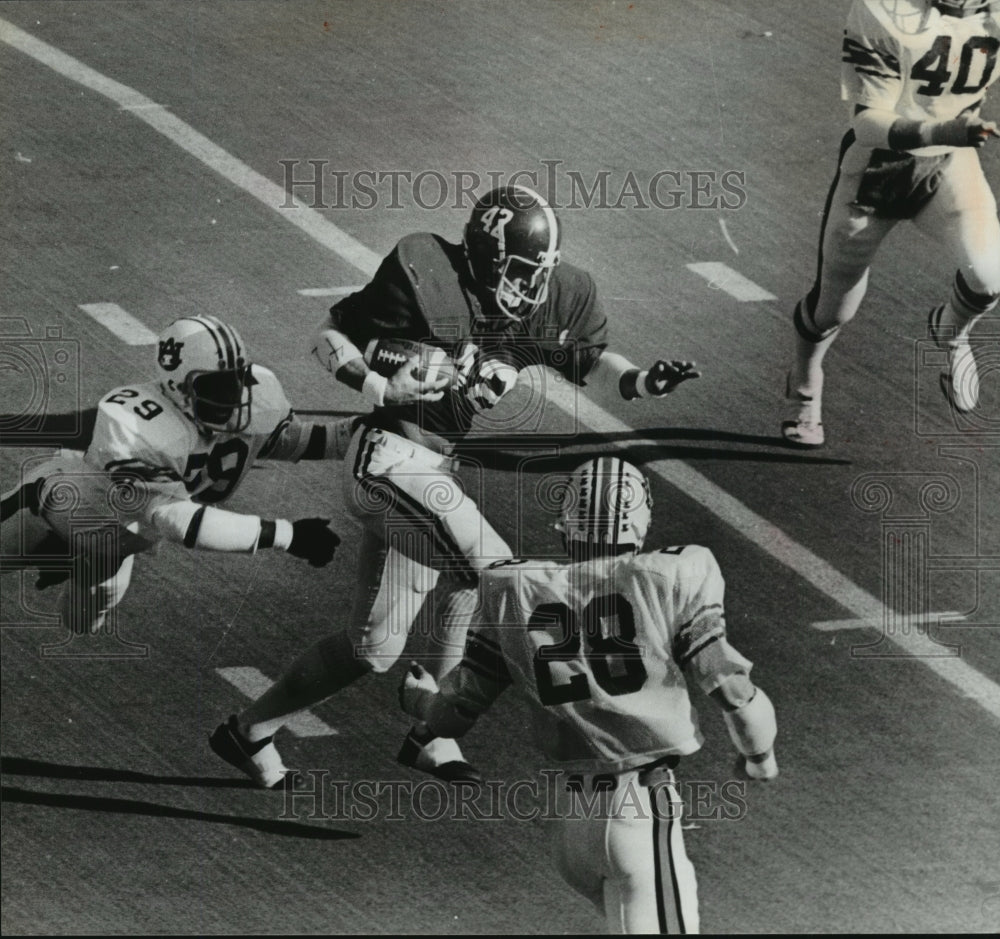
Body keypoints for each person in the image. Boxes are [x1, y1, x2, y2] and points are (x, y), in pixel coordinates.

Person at [213, 185, 702, 789]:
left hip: (428, 473)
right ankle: (432, 727)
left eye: (541, 272)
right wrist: (379, 387)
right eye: (523, 270)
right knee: (499, 575)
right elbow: (328, 335)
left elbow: (590, 361)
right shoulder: (428, 274)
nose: (534, 286)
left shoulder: (551, 300)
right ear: (489, 258)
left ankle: (246, 731)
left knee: (374, 647)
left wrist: (641, 382)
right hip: (387, 461)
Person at [399, 456, 778, 935]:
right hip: (637, 811)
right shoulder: (671, 574)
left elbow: (453, 714)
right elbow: (735, 693)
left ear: (566, 522)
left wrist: (419, 702)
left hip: (568, 820)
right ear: (640, 520)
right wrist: (758, 758)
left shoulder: (512, 587)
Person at [1, 314, 344, 638]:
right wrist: (286, 534)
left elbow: (293, 441)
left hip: (118, 541)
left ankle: (75, 558)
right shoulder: (140, 426)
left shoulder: (248, 406)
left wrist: (363, 432)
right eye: (218, 385)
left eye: (237, 378)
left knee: (81, 622)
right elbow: (179, 521)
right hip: (61, 506)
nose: (233, 395)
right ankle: (58, 545)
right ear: (178, 385)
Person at [783, 0, 1000, 448]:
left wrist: (949, 139)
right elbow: (867, 122)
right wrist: (943, 131)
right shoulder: (883, 10)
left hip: (949, 163)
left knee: (990, 274)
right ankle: (805, 387)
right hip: (877, 170)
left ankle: (950, 332)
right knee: (833, 310)